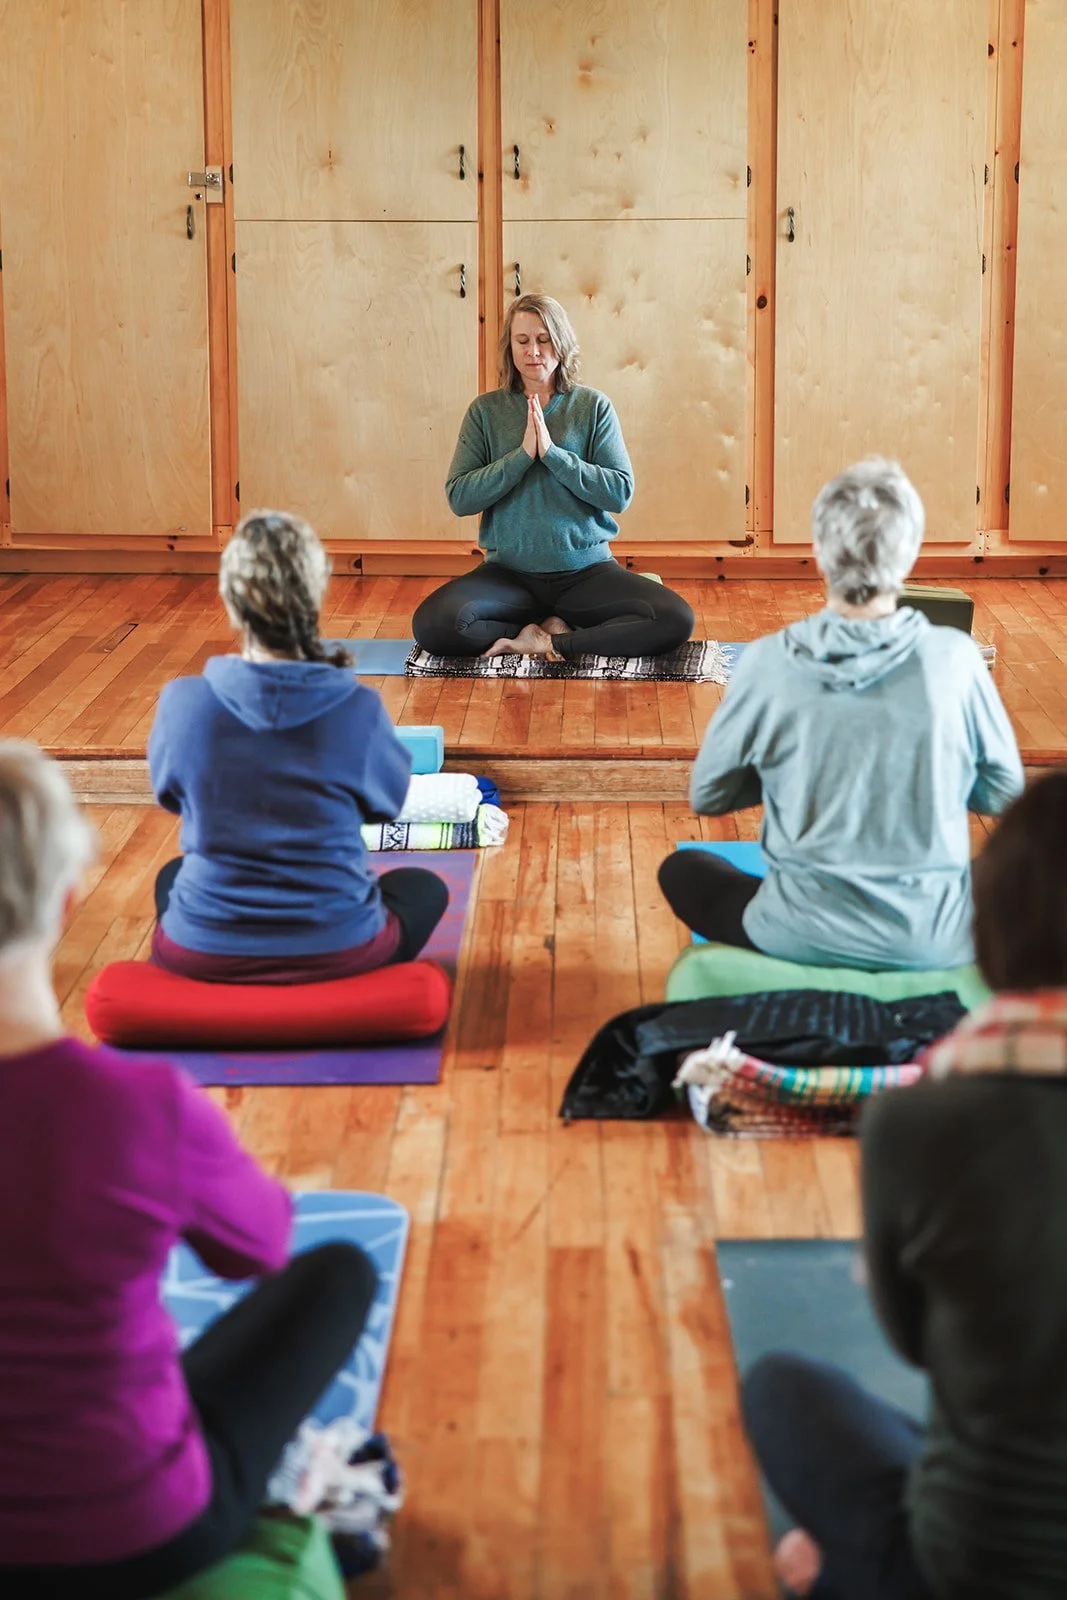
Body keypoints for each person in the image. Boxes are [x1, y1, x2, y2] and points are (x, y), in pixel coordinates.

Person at [0, 741, 377, 1597]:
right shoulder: (137, 1107)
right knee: (338, 1273)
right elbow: (260, 1245)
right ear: (62, 902)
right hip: (133, 1532)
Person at [742, 771, 1067, 1599]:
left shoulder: (922, 1120)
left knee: (783, 1389)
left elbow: (912, 1340)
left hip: (977, 1564)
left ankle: (855, 1571)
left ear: (995, 923)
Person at [658, 458, 1023, 970]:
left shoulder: (766, 660)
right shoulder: (956, 657)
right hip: (933, 940)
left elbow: (709, 793)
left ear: (820, 554)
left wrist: (795, 766)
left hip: (796, 932)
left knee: (685, 869)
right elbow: (1002, 794)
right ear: (910, 553)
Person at [148, 509, 448, 982]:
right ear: (316, 593)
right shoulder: (358, 708)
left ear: (230, 599)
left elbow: (170, 795)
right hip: (340, 947)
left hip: (203, 949)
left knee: (171, 877)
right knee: (423, 887)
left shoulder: (182, 703)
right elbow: (386, 805)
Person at [412, 292, 694, 660]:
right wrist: (522, 456)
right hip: (508, 576)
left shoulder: (592, 407)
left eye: (544, 340)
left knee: (675, 618)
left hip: (586, 573)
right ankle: (550, 626)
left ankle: (552, 641)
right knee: (434, 624)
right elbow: (460, 497)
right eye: (523, 341)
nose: (533, 352)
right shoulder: (485, 411)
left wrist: (552, 454)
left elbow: (619, 493)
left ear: (561, 343)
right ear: (510, 348)